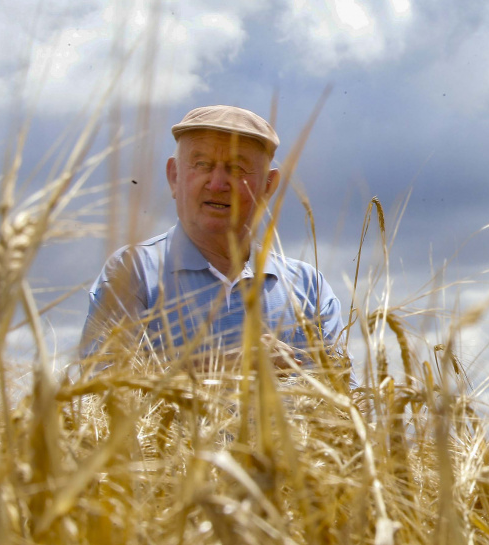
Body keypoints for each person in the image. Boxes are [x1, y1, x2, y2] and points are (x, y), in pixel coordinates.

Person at [80, 105, 355, 388]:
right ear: (174, 176)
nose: (217, 183)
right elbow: (103, 392)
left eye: (237, 168)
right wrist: (227, 364)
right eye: (201, 165)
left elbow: (345, 403)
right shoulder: (132, 273)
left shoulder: (309, 287)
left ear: (268, 187)